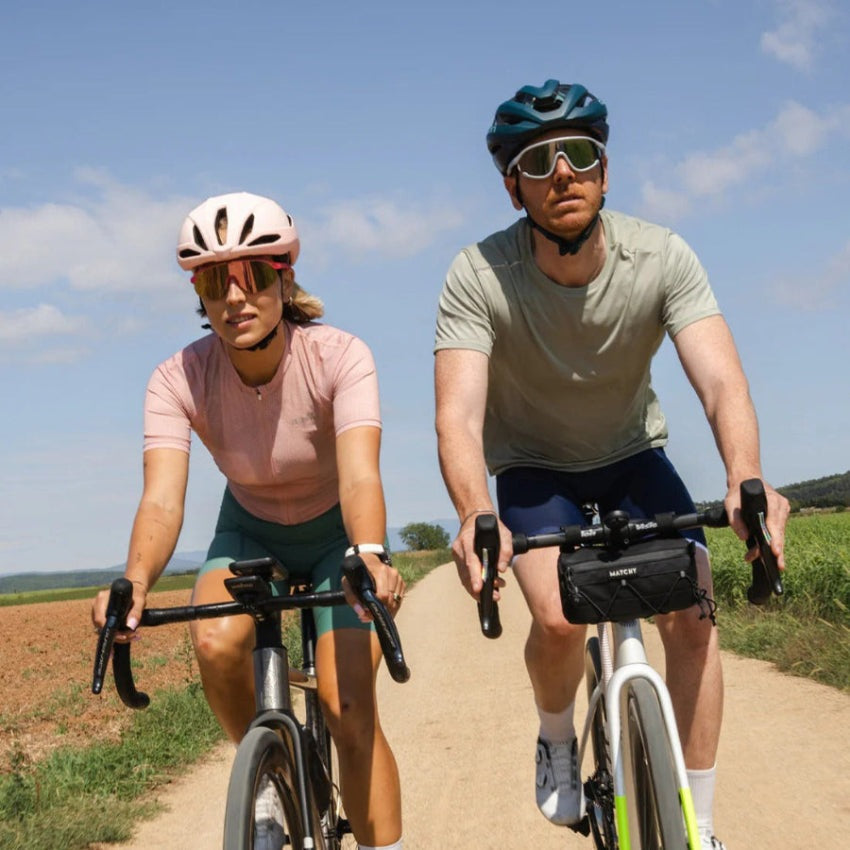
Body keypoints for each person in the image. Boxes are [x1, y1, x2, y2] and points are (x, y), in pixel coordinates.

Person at [433, 79, 790, 850]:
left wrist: (744, 475)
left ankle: (699, 823)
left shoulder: (661, 255)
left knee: (692, 621)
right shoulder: (478, 274)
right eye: (537, 160)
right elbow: (458, 415)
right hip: (533, 469)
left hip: (633, 457)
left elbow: (721, 380)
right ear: (512, 186)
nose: (561, 171)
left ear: (604, 170)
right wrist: (473, 511)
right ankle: (557, 736)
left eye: (580, 154)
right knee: (559, 620)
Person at [92, 191, 404, 850]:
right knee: (214, 643)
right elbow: (161, 500)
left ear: (283, 280)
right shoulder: (177, 377)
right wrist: (136, 583)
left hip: (336, 531)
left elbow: (358, 475)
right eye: (213, 281)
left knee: (349, 711)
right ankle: (268, 773)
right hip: (251, 528)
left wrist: (371, 553)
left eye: (254, 276)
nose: (235, 297)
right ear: (199, 297)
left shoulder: (341, 356)